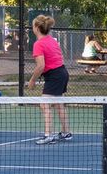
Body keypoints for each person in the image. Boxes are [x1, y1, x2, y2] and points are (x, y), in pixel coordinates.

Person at [25, 15, 73, 145]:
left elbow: (41, 66)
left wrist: (32, 80)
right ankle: (65, 133)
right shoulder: (51, 40)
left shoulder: (38, 44)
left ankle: (48, 135)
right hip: (62, 73)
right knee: (59, 103)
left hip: (55, 75)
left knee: (44, 104)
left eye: (33, 25)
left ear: (36, 28)